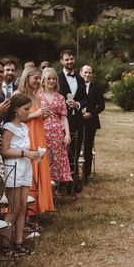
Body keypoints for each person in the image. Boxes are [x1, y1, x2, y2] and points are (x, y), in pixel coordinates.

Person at [1, 94, 41, 256]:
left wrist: (33, 154)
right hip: (14, 167)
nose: (28, 112)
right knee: (13, 207)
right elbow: (4, 151)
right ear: (16, 109)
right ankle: (5, 243)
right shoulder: (9, 127)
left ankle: (18, 241)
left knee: (23, 206)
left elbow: (23, 147)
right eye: (25, 109)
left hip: (25, 167)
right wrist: (25, 153)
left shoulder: (24, 127)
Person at [14, 66, 55, 215]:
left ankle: (34, 210)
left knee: (38, 171)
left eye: (39, 78)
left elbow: (35, 117)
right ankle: (21, 212)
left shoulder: (37, 97)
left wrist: (42, 116)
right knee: (27, 171)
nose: (38, 81)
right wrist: (36, 114)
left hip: (38, 136)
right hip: (24, 137)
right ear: (27, 77)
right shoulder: (18, 95)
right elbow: (15, 119)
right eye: (35, 78)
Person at [57, 50, 87, 191]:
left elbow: (85, 100)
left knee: (75, 152)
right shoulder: (56, 77)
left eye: (71, 59)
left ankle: (73, 183)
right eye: (66, 59)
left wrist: (78, 105)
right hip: (61, 121)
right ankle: (59, 183)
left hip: (77, 121)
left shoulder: (80, 79)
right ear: (62, 61)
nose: (69, 62)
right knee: (62, 151)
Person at [39, 68, 72, 186]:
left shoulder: (60, 97)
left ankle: (53, 192)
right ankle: (42, 189)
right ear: (43, 81)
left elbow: (64, 117)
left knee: (55, 161)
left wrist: (67, 134)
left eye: (54, 79)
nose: (52, 81)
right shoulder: (37, 96)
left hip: (57, 134)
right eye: (49, 78)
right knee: (43, 159)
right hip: (41, 132)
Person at [80, 64, 105, 182]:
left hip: (91, 122)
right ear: (81, 73)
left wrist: (91, 114)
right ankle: (74, 174)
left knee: (88, 148)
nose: (87, 74)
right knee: (75, 148)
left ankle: (86, 174)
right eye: (85, 72)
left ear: (92, 74)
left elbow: (101, 105)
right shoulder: (76, 86)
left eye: (89, 72)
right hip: (77, 121)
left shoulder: (96, 88)